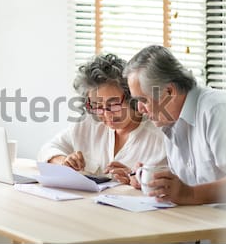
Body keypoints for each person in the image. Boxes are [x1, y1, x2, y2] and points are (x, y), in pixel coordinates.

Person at [122, 45, 226, 205]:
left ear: (169, 92)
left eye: (144, 100)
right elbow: (187, 183)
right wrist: (150, 180)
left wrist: (190, 194)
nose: (140, 110)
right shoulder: (170, 120)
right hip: (201, 221)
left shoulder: (218, 110)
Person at [37, 53, 167, 183]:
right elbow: (47, 149)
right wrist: (64, 162)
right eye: (97, 106)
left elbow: (170, 187)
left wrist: (137, 178)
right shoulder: (88, 123)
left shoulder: (160, 137)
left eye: (113, 105)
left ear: (131, 98)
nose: (106, 114)